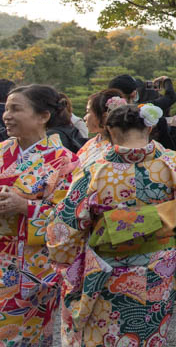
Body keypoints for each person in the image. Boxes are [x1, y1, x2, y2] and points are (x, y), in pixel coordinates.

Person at [46, 103, 176, 347]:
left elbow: (66, 225)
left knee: (105, 335)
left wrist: (68, 262)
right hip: (159, 266)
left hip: (108, 270)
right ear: (148, 127)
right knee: (149, 336)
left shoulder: (96, 168)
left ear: (109, 129)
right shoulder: (175, 163)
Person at [0, 84, 77, 346]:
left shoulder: (64, 161)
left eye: (15, 109)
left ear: (43, 116)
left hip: (33, 268)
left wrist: (26, 207)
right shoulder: (1, 153)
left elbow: (71, 216)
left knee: (24, 338)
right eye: (6, 109)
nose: (6, 115)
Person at [107, 74, 176, 150]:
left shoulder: (112, 116)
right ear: (133, 93)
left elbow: (150, 85)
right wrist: (166, 80)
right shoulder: (143, 108)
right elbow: (171, 97)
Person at [75, 89, 126, 170]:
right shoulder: (91, 143)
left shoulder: (119, 149)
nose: (85, 118)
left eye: (88, 112)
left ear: (105, 117)